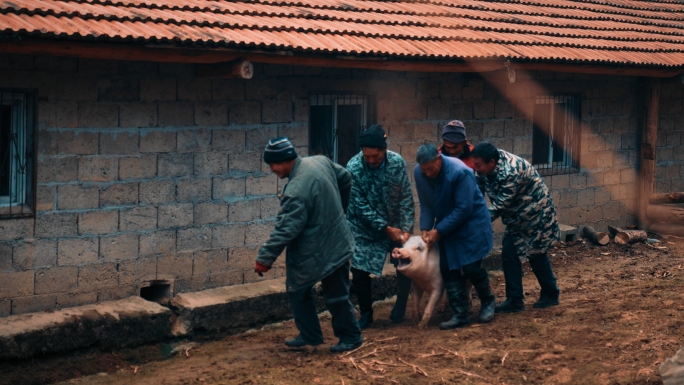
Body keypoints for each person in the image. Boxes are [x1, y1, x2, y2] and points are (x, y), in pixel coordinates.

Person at [254, 137, 363, 353]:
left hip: (326, 248)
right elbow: (346, 178)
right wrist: (338, 211)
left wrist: (264, 258)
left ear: (284, 160)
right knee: (299, 288)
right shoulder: (319, 161)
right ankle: (310, 334)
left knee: (334, 294)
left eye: (272, 164)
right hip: (326, 243)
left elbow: (285, 229)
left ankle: (351, 336)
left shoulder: (295, 192)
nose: (272, 170)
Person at [413, 144, 496, 329]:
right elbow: (426, 203)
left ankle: (488, 302)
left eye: (431, 169)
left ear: (439, 159)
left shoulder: (460, 172)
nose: (427, 174)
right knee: (448, 267)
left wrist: (439, 230)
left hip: (471, 224)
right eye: (424, 170)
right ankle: (460, 313)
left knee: (471, 267)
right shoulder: (419, 172)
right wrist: (426, 227)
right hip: (447, 224)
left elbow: (464, 209)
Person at [471, 142, 560, 313]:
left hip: (537, 215)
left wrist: (474, 225)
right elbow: (477, 193)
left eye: (478, 165)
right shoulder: (484, 168)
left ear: (491, 162)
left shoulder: (511, 172)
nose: (476, 168)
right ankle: (515, 300)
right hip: (517, 218)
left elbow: (499, 206)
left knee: (536, 255)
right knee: (510, 255)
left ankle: (551, 293)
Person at [346, 124, 415, 329]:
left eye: (375, 156)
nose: (371, 160)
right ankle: (366, 314)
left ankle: (401, 305)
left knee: (404, 264)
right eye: (366, 156)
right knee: (359, 271)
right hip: (364, 228)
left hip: (394, 224)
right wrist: (385, 228)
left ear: (384, 151)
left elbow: (405, 196)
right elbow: (359, 206)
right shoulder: (353, 167)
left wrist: (407, 228)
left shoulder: (397, 163)